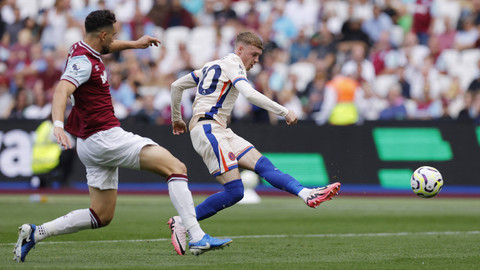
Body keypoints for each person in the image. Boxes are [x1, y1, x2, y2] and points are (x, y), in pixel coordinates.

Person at [13, 10, 231, 263]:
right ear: (103, 34)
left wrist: (135, 44)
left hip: (89, 142)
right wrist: (58, 124)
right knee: (176, 167)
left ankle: (35, 234)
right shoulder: (84, 62)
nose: (115, 39)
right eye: (114, 35)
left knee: (101, 215)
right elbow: (62, 90)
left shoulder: (82, 48)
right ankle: (196, 235)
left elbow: (107, 47)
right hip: (105, 136)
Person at [169, 31, 341, 254]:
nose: (256, 60)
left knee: (263, 166)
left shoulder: (211, 66)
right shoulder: (234, 64)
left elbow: (176, 86)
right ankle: (183, 223)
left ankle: (306, 194)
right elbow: (249, 95)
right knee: (235, 191)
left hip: (219, 129)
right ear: (240, 50)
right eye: (254, 54)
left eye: (259, 56)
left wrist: (176, 118)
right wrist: (284, 111)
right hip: (208, 129)